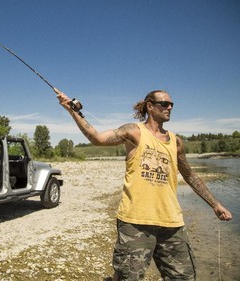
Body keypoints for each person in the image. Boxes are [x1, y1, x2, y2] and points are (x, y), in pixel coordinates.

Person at [54, 88, 232, 281]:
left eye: (171, 104)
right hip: (135, 222)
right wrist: (73, 111)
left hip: (171, 223)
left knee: (184, 277)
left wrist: (215, 204)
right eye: (165, 104)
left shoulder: (176, 141)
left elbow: (190, 176)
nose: (170, 107)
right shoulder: (133, 131)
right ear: (150, 106)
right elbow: (96, 138)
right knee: (128, 277)